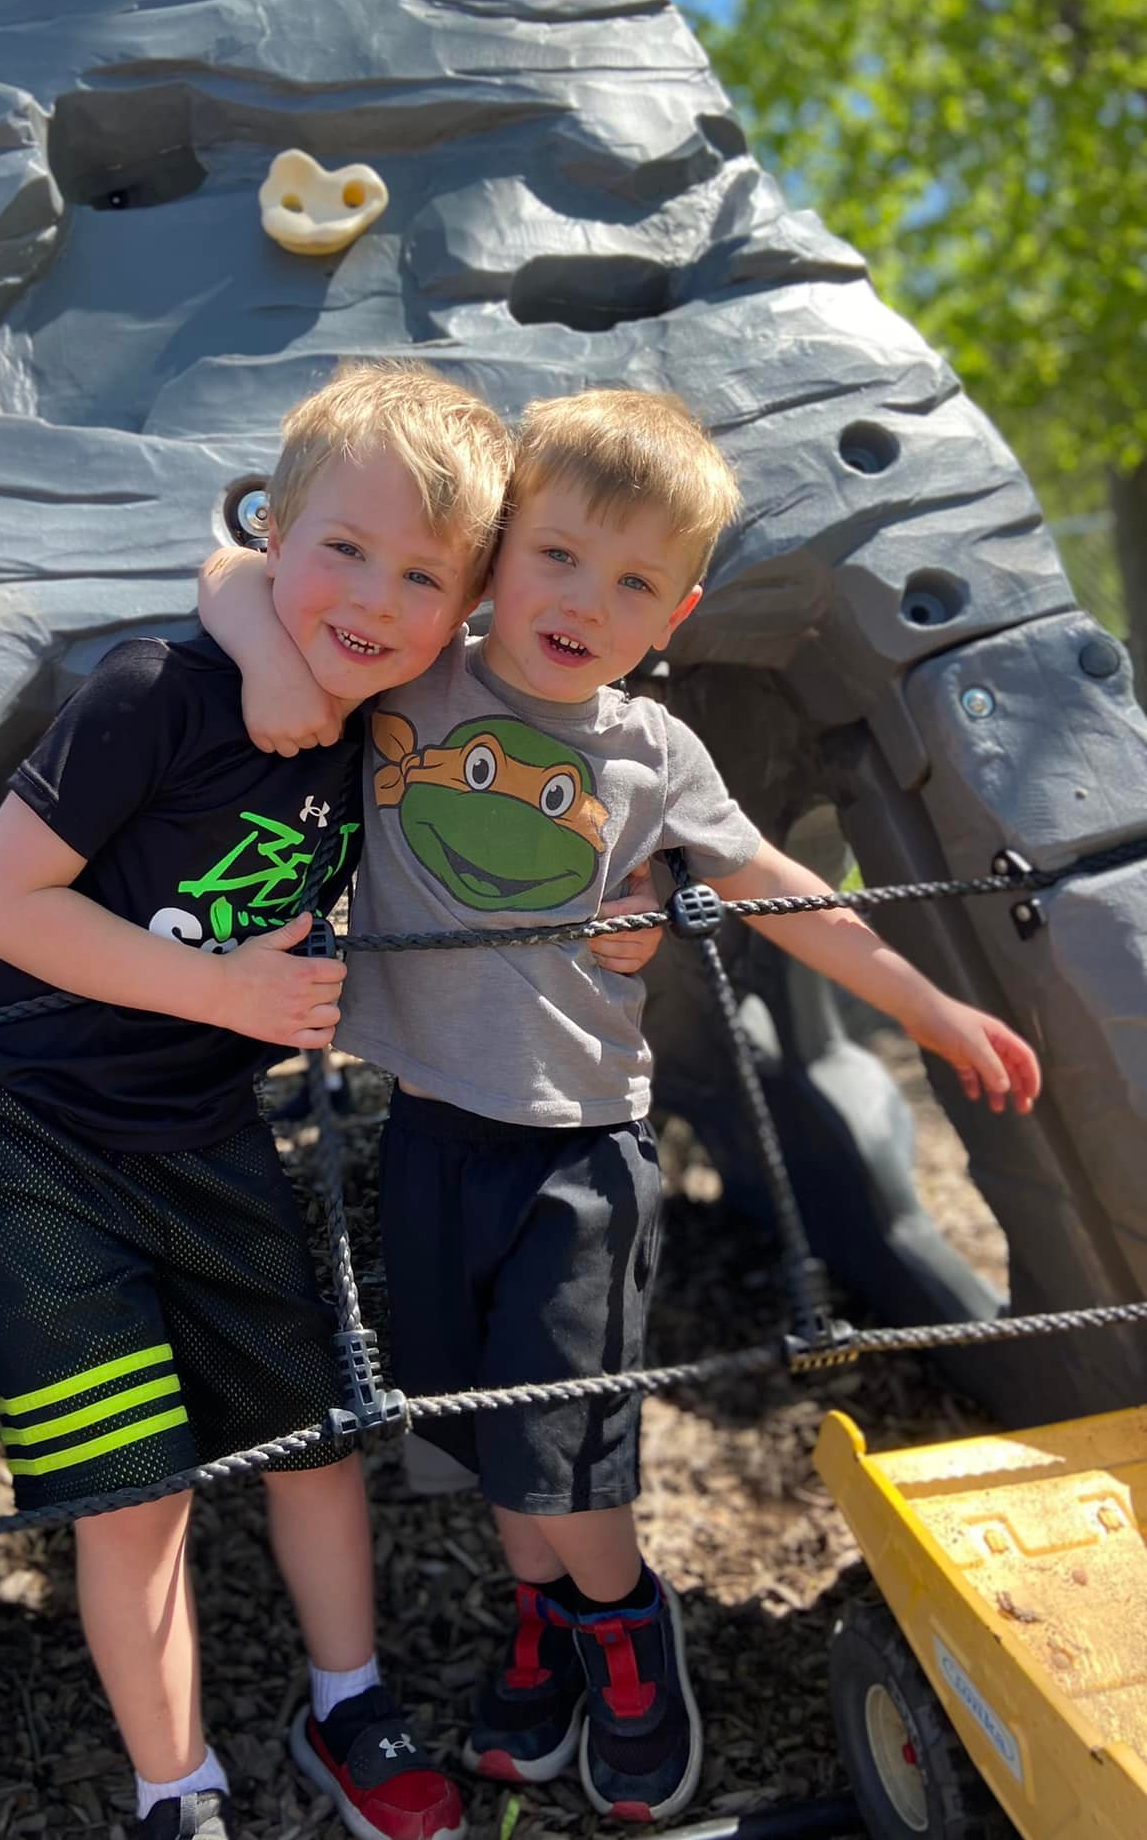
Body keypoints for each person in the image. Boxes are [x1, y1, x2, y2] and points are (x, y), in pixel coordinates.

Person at [197, 385, 1042, 1825]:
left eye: (635, 581)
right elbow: (235, 563)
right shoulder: (415, 678)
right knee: (484, 1430)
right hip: (428, 1131)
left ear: (681, 614)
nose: (587, 601)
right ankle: (551, 1630)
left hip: (578, 1148)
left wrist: (924, 1001)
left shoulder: (655, 757)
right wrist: (249, 643)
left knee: (568, 1450)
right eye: (560, 557)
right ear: (496, 554)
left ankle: (627, 1633)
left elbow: (779, 886)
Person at [0, 362, 520, 1840]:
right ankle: (172, 1786)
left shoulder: (392, 730)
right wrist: (228, 996)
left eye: (420, 576)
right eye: (343, 550)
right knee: (133, 1490)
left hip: (207, 1131)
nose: (373, 598)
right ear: (278, 534)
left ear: (462, 610)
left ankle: (351, 1706)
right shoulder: (155, 692)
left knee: (315, 1435)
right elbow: (1, 905)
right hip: (41, 1138)